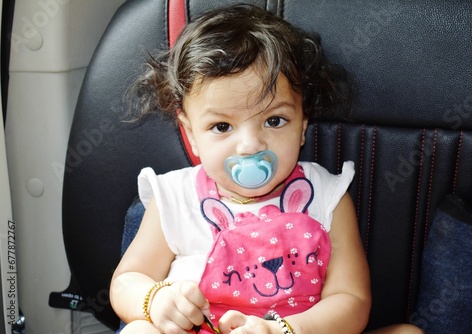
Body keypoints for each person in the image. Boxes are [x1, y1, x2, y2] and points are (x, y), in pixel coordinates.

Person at [110, 4, 423, 334]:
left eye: (274, 121)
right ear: (191, 135)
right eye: (221, 126)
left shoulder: (327, 197)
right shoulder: (174, 198)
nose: (250, 145)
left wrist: (283, 330)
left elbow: (351, 299)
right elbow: (125, 281)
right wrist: (154, 300)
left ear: (303, 125)